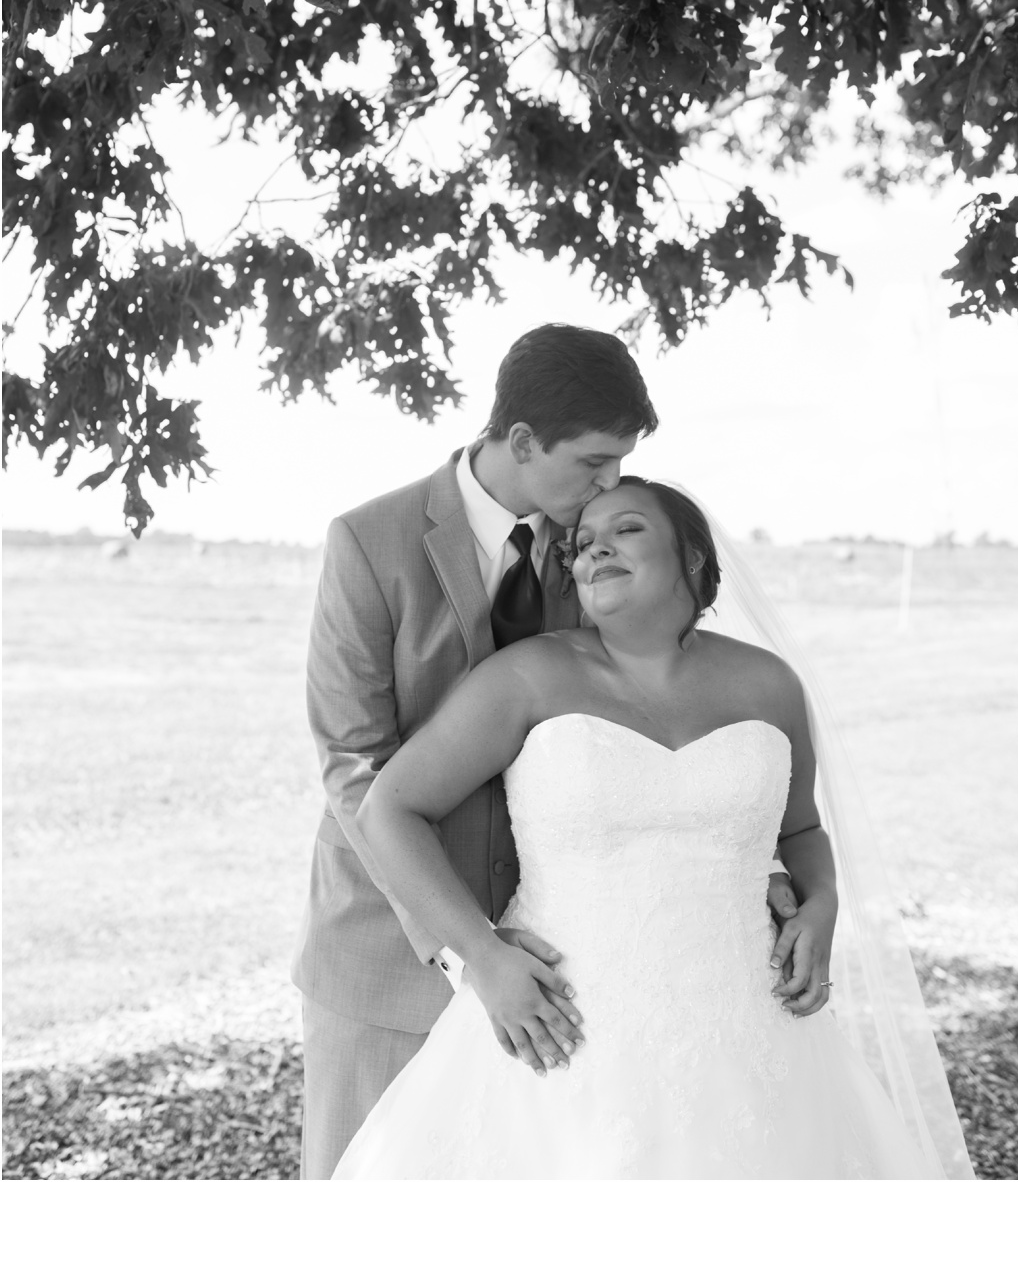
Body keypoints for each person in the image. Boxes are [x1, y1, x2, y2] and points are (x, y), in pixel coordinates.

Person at [331, 478, 968, 1177]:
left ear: (692, 557)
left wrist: (822, 904)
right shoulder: (526, 677)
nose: (593, 548)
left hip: (753, 1025)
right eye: (580, 543)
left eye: (625, 529)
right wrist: (482, 957)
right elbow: (388, 810)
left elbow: (802, 830)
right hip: (563, 1027)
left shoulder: (769, 685)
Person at [291, 323, 681, 1177]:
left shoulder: (599, 543)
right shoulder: (369, 542)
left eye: (621, 460)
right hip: (387, 956)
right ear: (521, 440)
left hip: (562, 959)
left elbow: (652, 710)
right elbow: (354, 763)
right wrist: (470, 946)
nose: (612, 481)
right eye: (593, 462)